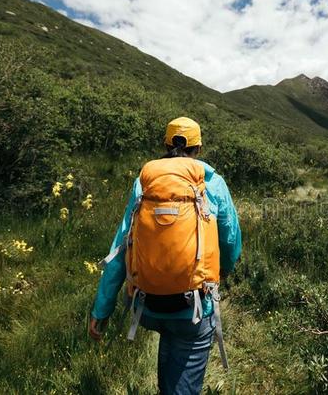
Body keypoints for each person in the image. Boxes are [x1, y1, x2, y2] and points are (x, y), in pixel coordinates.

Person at [88, 117, 242, 395]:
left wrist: (102, 309)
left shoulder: (144, 182)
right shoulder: (212, 182)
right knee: (184, 348)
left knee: (169, 337)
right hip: (195, 306)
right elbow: (231, 242)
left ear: (166, 144)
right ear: (198, 147)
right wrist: (221, 272)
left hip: (146, 306)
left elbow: (122, 245)